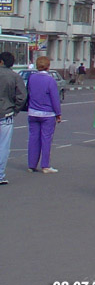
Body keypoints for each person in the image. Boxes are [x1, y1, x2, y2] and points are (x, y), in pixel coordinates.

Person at [26, 55, 62, 173]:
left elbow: (28, 93)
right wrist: (58, 113)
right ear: (48, 66)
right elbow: (54, 98)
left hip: (33, 112)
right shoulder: (50, 80)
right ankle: (45, 165)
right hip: (47, 114)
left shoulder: (31, 78)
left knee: (33, 138)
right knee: (46, 139)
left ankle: (31, 165)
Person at [0, 51, 28, 185]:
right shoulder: (15, 77)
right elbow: (22, 96)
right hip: (6, 114)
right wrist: (15, 109)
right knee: (3, 146)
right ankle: (0, 175)